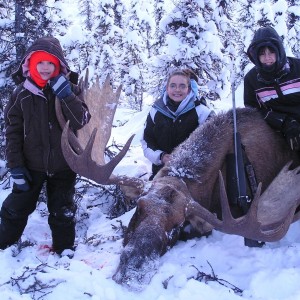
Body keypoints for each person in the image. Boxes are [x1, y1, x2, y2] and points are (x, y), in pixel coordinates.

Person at [0, 36, 91, 256]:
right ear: (30, 64)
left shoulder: (71, 89)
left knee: (63, 211)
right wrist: (16, 166)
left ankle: (64, 250)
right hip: (30, 165)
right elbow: (12, 133)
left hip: (64, 163)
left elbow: (82, 120)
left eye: (51, 63)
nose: (45, 67)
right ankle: (3, 246)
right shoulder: (20, 94)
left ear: (59, 66)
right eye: (40, 62)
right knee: (16, 207)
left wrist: (67, 95)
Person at [141, 69, 215, 180]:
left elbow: (212, 145)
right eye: (173, 86)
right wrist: (161, 157)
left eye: (182, 86)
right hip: (161, 173)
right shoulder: (156, 111)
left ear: (189, 89)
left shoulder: (203, 112)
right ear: (167, 88)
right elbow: (147, 141)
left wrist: (187, 160)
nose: (177, 90)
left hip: (193, 176)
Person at [244, 26, 300, 151]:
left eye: (271, 52)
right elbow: (252, 110)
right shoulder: (251, 79)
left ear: (279, 51)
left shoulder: (297, 68)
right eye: (262, 53)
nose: (267, 57)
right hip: (277, 130)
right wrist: (283, 122)